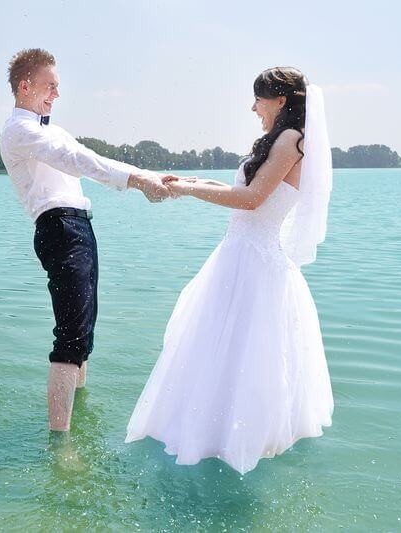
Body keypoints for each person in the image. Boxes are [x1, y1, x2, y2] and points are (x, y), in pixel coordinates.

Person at [125, 67, 334, 474]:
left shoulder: (291, 140)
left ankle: (225, 436)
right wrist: (193, 180)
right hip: (239, 255)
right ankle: (216, 431)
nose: (253, 108)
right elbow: (244, 191)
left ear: (280, 101)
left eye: (258, 99)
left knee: (237, 352)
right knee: (224, 350)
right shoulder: (284, 139)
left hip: (253, 262)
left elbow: (251, 199)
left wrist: (187, 190)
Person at [0, 48, 171, 432]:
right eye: (50, 86)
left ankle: (77, 418)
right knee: (71, 337)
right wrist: (139, 180)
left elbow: (84, 156)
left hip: (79, 226)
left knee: (84, 332)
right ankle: (61, 443)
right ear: (25, 86)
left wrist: (149, 175)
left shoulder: (52, 130)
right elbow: (77, 160)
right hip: (59, 228)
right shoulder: (19, 131)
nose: (57, 94)